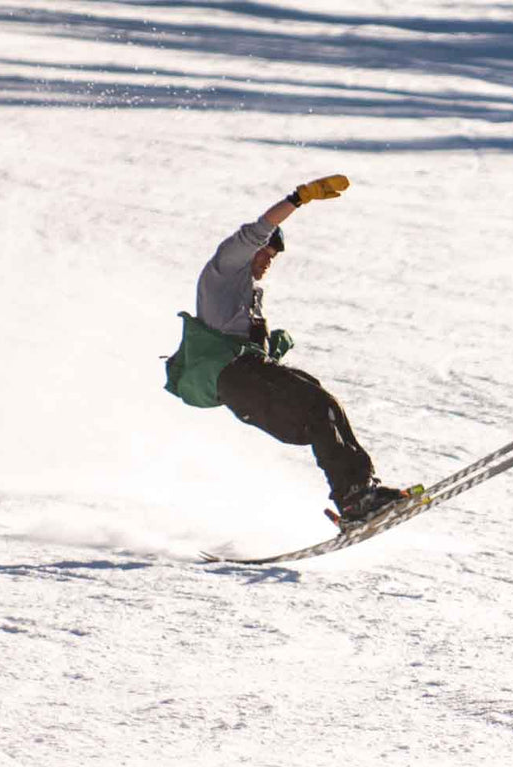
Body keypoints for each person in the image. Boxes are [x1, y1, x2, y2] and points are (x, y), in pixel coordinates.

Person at [164, 175, 406, 525]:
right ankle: (355, 499)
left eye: (273, 257)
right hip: (235, 377)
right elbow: (257, 230)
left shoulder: (247, 297)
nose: (268, 262)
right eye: (266, 253)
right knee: (318, 408)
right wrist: (298, 198)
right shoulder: (224, 270)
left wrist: (269, 349)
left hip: (247, 374)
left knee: (325, 405)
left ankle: (361, 490)